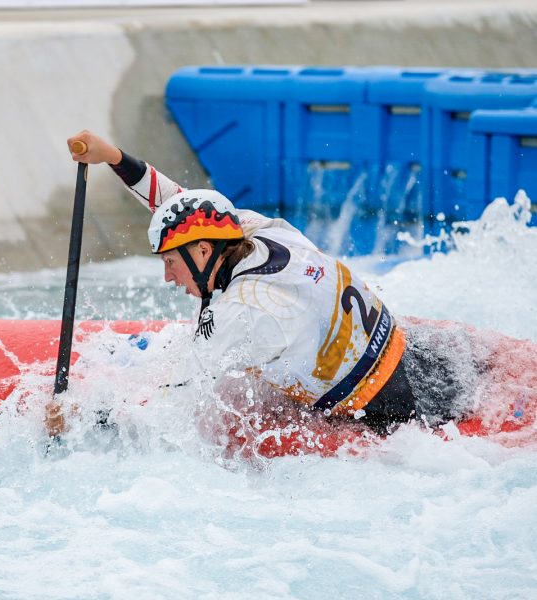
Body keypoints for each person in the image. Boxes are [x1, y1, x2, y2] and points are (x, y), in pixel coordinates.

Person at [45, 130, 471, 446]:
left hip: (396, 416)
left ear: (202, 252)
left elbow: (170, 410)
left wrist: (83, 417)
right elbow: (177, 202)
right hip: (423, 355)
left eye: (171, 263)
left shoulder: (244, 313)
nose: (168, 278)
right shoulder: (260, 231)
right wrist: (113, 157)